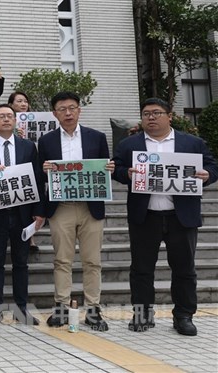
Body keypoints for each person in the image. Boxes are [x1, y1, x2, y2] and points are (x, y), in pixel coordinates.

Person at [113, 98, 218, 336]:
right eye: (146, 113)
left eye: (157, 113)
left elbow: (213, 167)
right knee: (141, 269)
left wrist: (207, 176)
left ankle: (183, 316)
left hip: (181, 216)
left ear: (169, 116)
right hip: (145, 215)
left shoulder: (191, 143)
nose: (151, 117)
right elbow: (116, 168)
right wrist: (125, 174)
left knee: (184, 269)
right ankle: (142, 314)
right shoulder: (130, 145)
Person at [38, 92, 113, 331]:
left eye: (72, 108)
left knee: (93, 261)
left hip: (91, 207)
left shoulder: (97, 137)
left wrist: (109, 167)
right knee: (62, 260)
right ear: (54, 113)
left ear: (79, 110)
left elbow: (105, 169)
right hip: (61, 207)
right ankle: (61, 306)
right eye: (62, 109)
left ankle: (93, 309)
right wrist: (45, 169)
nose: (68, 113)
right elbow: (41, 175)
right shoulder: (47, 140)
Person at [0, 104, 42, 326]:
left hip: (23, 213)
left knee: (21, 262)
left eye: (10, 116)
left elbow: (36, 179)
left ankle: (21, 309)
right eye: (1, 116)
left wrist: (38, 212)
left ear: (15, 121)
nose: (6, 119)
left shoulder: (28, 146)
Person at [8, 91, 36, 251]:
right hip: (9, 167)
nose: (23, 104)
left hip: (29, 163)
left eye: (25, 101)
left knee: (29, 201)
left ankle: (30, 237)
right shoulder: (4, 121)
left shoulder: (35, 121)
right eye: (19, 101)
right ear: (11, 105)